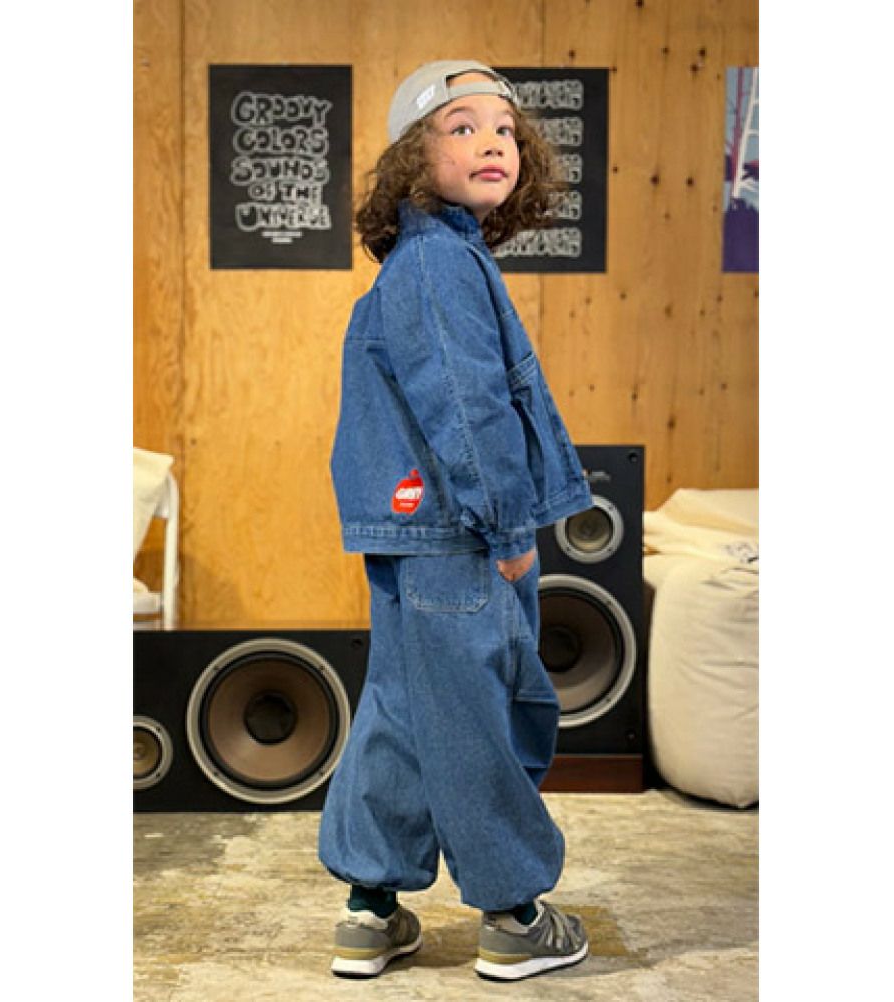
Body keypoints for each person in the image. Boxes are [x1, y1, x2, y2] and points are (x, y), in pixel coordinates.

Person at [317, 59, 594, 982]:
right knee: (483, 714)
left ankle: (370, 911)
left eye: (505, 129)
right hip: (460, 534)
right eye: (462, 126)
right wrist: (508, 528)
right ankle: (513, 916)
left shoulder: (425, 258)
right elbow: (468, 409)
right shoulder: (441, 263)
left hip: (412, 533)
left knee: (402, 711)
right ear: (412, 156)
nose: (493, 143)